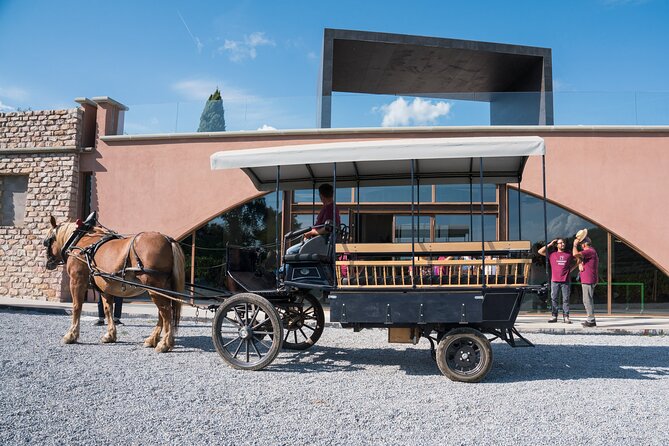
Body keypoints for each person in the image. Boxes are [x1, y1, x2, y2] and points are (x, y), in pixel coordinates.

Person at [287, 183, 341, 254]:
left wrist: (311, 232)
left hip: (321, 242)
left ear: (321, 196)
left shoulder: (330, 209)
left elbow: (328, 228)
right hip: (319, 240)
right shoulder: (331, 208)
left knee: (290, 251)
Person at [539, 238, 576, 324]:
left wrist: (571, 269)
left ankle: (566, 317)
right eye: (561, 243)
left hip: (565, 280)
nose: (563, 244)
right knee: (554, 299)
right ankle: (554, 316)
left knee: (566, 299)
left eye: (564, 243)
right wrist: (550, 244)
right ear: (557, 245)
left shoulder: (569, 254)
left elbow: (578, 259)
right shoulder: (552, 254)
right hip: (555, 280)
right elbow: (540, 252)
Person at [573, 236, 599, 327]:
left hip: (588, 280)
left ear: (583, 245)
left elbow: (575, 254)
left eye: (581, 244)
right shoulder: (590, 252)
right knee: (587, 300)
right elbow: (580, 259)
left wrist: (574, 245)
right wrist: (580, 263)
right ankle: (591, 319)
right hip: (588, 279)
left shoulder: (589, 251)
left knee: (587, 300)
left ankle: (591, 320)